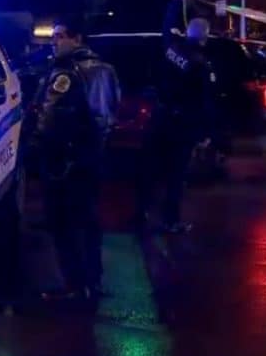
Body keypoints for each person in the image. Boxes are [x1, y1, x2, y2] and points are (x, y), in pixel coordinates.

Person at [28, 17, 119, 301]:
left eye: (60, 36)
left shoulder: (65, 74)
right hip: (93, 156)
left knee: (62, 223)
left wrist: (36, 145)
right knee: (89, 222)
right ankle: (94, 281)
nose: (54, 42)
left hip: (65, 160)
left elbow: (50, 119)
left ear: (77, 38)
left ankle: (74, 285)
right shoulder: (106, 69)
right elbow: (113, 108)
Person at [137, 17, 217, 234]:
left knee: (150, 170)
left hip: (160, 118)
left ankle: (140, 215)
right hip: (182, 125)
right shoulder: (200, 64)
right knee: (176, 175)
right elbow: (204, 101)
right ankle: (170, 220)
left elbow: (166, 29)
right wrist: (206, 132)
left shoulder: (172, 49)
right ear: (205, 36)